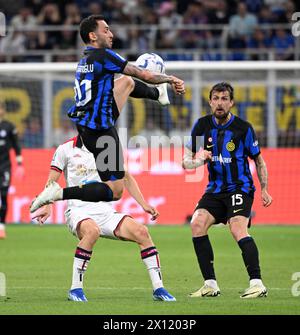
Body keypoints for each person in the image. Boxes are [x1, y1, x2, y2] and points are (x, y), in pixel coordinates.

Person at [30, 14, 185, 213]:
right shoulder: (104, 56)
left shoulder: (85, 61)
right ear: (93, 36)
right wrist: (169, 79)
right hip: (101, 130)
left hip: (86, 127)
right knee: (115, 191)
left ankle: (158, 95)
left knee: (126, 83)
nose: (111, 34)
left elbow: (123, 82)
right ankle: (59, 194)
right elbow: (143, 74)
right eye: (106, 30)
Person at [31, 135, 176, 302]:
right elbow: (51, 182)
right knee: (92, 231)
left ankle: (159, 288)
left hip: (106, 212)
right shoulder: (66, 149)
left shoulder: (107, 147)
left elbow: (126, 177)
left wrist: (143, 204)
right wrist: (48, 204)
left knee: (142, 232)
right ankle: (75, 289)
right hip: (78, 211)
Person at [182, 82, 273, 299]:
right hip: (215, 190)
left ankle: (257, 284)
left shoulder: (243, 128)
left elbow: (259, 161)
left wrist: (265, 190)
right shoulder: (202, 125)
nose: (220, 103)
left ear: (231, 103)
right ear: (210, 101)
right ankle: (210, 285)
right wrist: (198, 160)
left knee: (237, 229)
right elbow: (185, 162)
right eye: (216, 98)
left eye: (224, 99)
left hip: (240, 188)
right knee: (197, 224)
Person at [0, 102, 24, 239]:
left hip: (4, 167)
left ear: (3, 110)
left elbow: (16, 146)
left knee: (3, 195)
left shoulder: (9, 127)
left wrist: (20, 164)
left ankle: (1, 227)